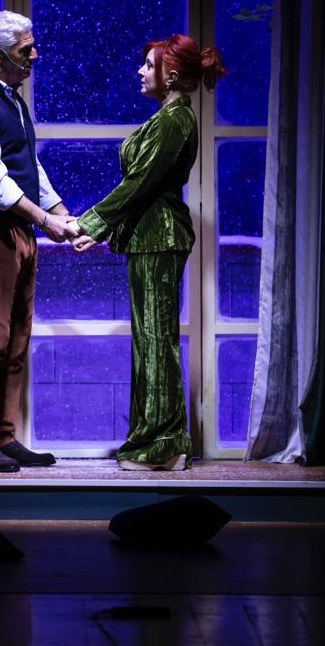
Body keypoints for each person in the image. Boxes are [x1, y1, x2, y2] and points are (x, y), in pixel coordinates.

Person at [68, 35, 226, 471]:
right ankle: (157, 440)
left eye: (148, 65)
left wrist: (92, 223)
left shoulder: (175, 121)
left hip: (160, 238)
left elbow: (140, 184)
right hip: (149, 238)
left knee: (156, 342)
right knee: (149, 341)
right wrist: (101, 228)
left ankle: (164, 444)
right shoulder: (167, 118)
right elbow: (140, 186)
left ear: (169, 76)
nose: (140, 71)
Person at [0, 11, 75, 473]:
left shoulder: (14, 102)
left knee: (17, 340)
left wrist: (62, 215)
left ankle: (4, 436)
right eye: (26, 50)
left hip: (18, 230)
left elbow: (27, 168)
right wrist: (44, 220)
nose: (35, 55)